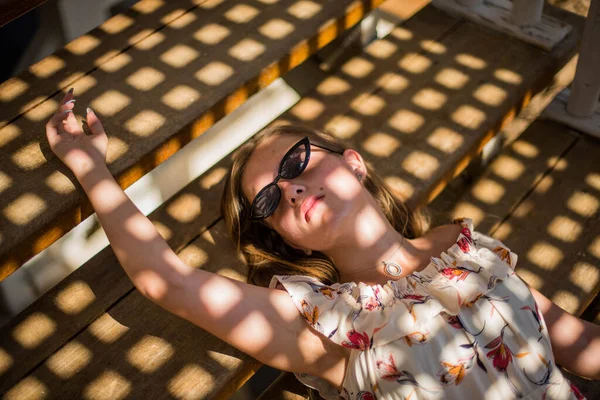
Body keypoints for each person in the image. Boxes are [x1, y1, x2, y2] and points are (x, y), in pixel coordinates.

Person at [45, 90, 599, 399]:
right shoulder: (323, 325)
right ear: (282, 234)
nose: (288, 188)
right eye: (267, 201)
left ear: (353, 163)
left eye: (296, 163)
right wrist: (90, 165)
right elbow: (168, 281)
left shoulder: (464, 244)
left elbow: (574, 343)